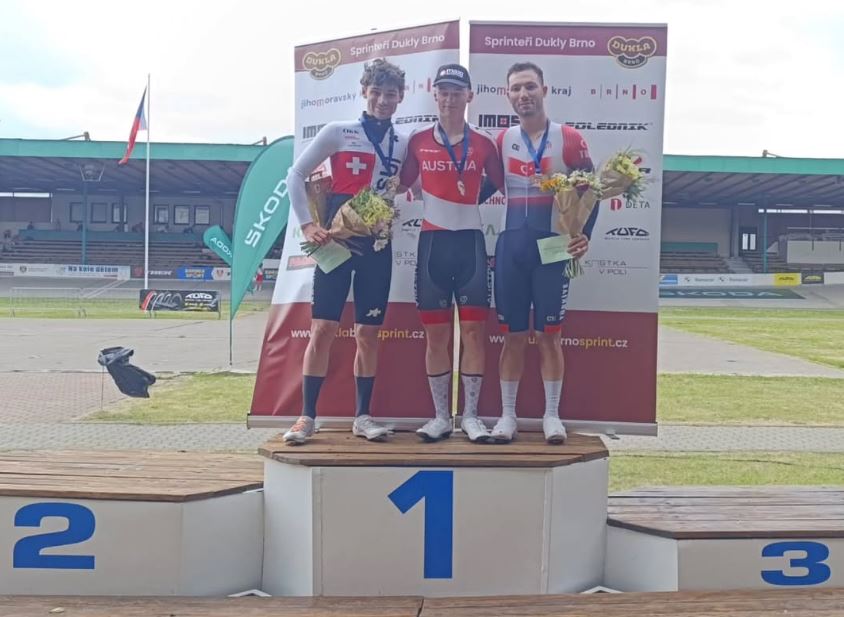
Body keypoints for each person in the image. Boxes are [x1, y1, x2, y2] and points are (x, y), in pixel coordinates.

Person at [282, 58, 409, 444]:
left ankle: (363, 417)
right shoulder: (338, 131)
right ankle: (306, 417)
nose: (383, 100)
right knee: (323, 329)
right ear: (364, 92)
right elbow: (295, 175)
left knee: (368, 334)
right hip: (336, 243)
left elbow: (406, 185)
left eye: (391, 94)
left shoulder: (403, 142)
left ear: (401, 97)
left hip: (376, 244)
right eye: (376, 92)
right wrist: (308, 224)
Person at [490, 62, 599, 444]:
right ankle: (507, 416)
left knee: (550, 335)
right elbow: (479, 186)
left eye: (530, 87)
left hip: (553, 248)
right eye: (516, 88)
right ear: (508, 95)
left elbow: (592, 192)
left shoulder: (567, 138)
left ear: (544, 90)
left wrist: (583, 235)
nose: (524, 94)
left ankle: (552, 415)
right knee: (513, 337)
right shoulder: (502, 141)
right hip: (511, 247)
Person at [399, 64, 504, 442]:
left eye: (456, 92)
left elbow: (506, 185)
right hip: (433, 245)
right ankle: (441, 417)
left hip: (470, 245)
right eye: (443, 91)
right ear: (434, 95)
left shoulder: (485, 143)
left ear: (469, 96)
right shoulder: (417, 141)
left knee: (474, 333)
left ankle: (470, 416)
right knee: (436, 336)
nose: (449, 99)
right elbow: (397, 184)